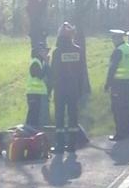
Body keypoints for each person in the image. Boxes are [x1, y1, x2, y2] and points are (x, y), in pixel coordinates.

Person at [50, 22, 85, 153]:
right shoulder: (78, 50)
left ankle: (59, 145)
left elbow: (54, 72)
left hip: (60, 89)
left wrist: (50, 89)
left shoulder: (57, 52)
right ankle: (72, 144)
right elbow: (81, 72)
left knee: (59, 117)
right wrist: (80, 89)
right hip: (74, 89)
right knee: (73, 117)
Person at [105, 30, 129, 141]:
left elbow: (112, 69)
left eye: (113, 39)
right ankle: (128, 131)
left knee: (117, 109)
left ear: (117, 38)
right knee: (127, 108)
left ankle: (119, 133)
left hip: (118, 84)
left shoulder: (118, 51)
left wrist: (107, 84)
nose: (113, 41)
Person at [25, 41, 50, 130]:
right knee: (32, 116)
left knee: (36, 117)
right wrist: (46, 63)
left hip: (38, 93)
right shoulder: (35, 62)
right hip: (33, 93)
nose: (47, 53)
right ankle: (27, 132)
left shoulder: (40, 62)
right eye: (45, 51)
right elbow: (40, 76)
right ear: (40, 52)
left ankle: (32, 133)